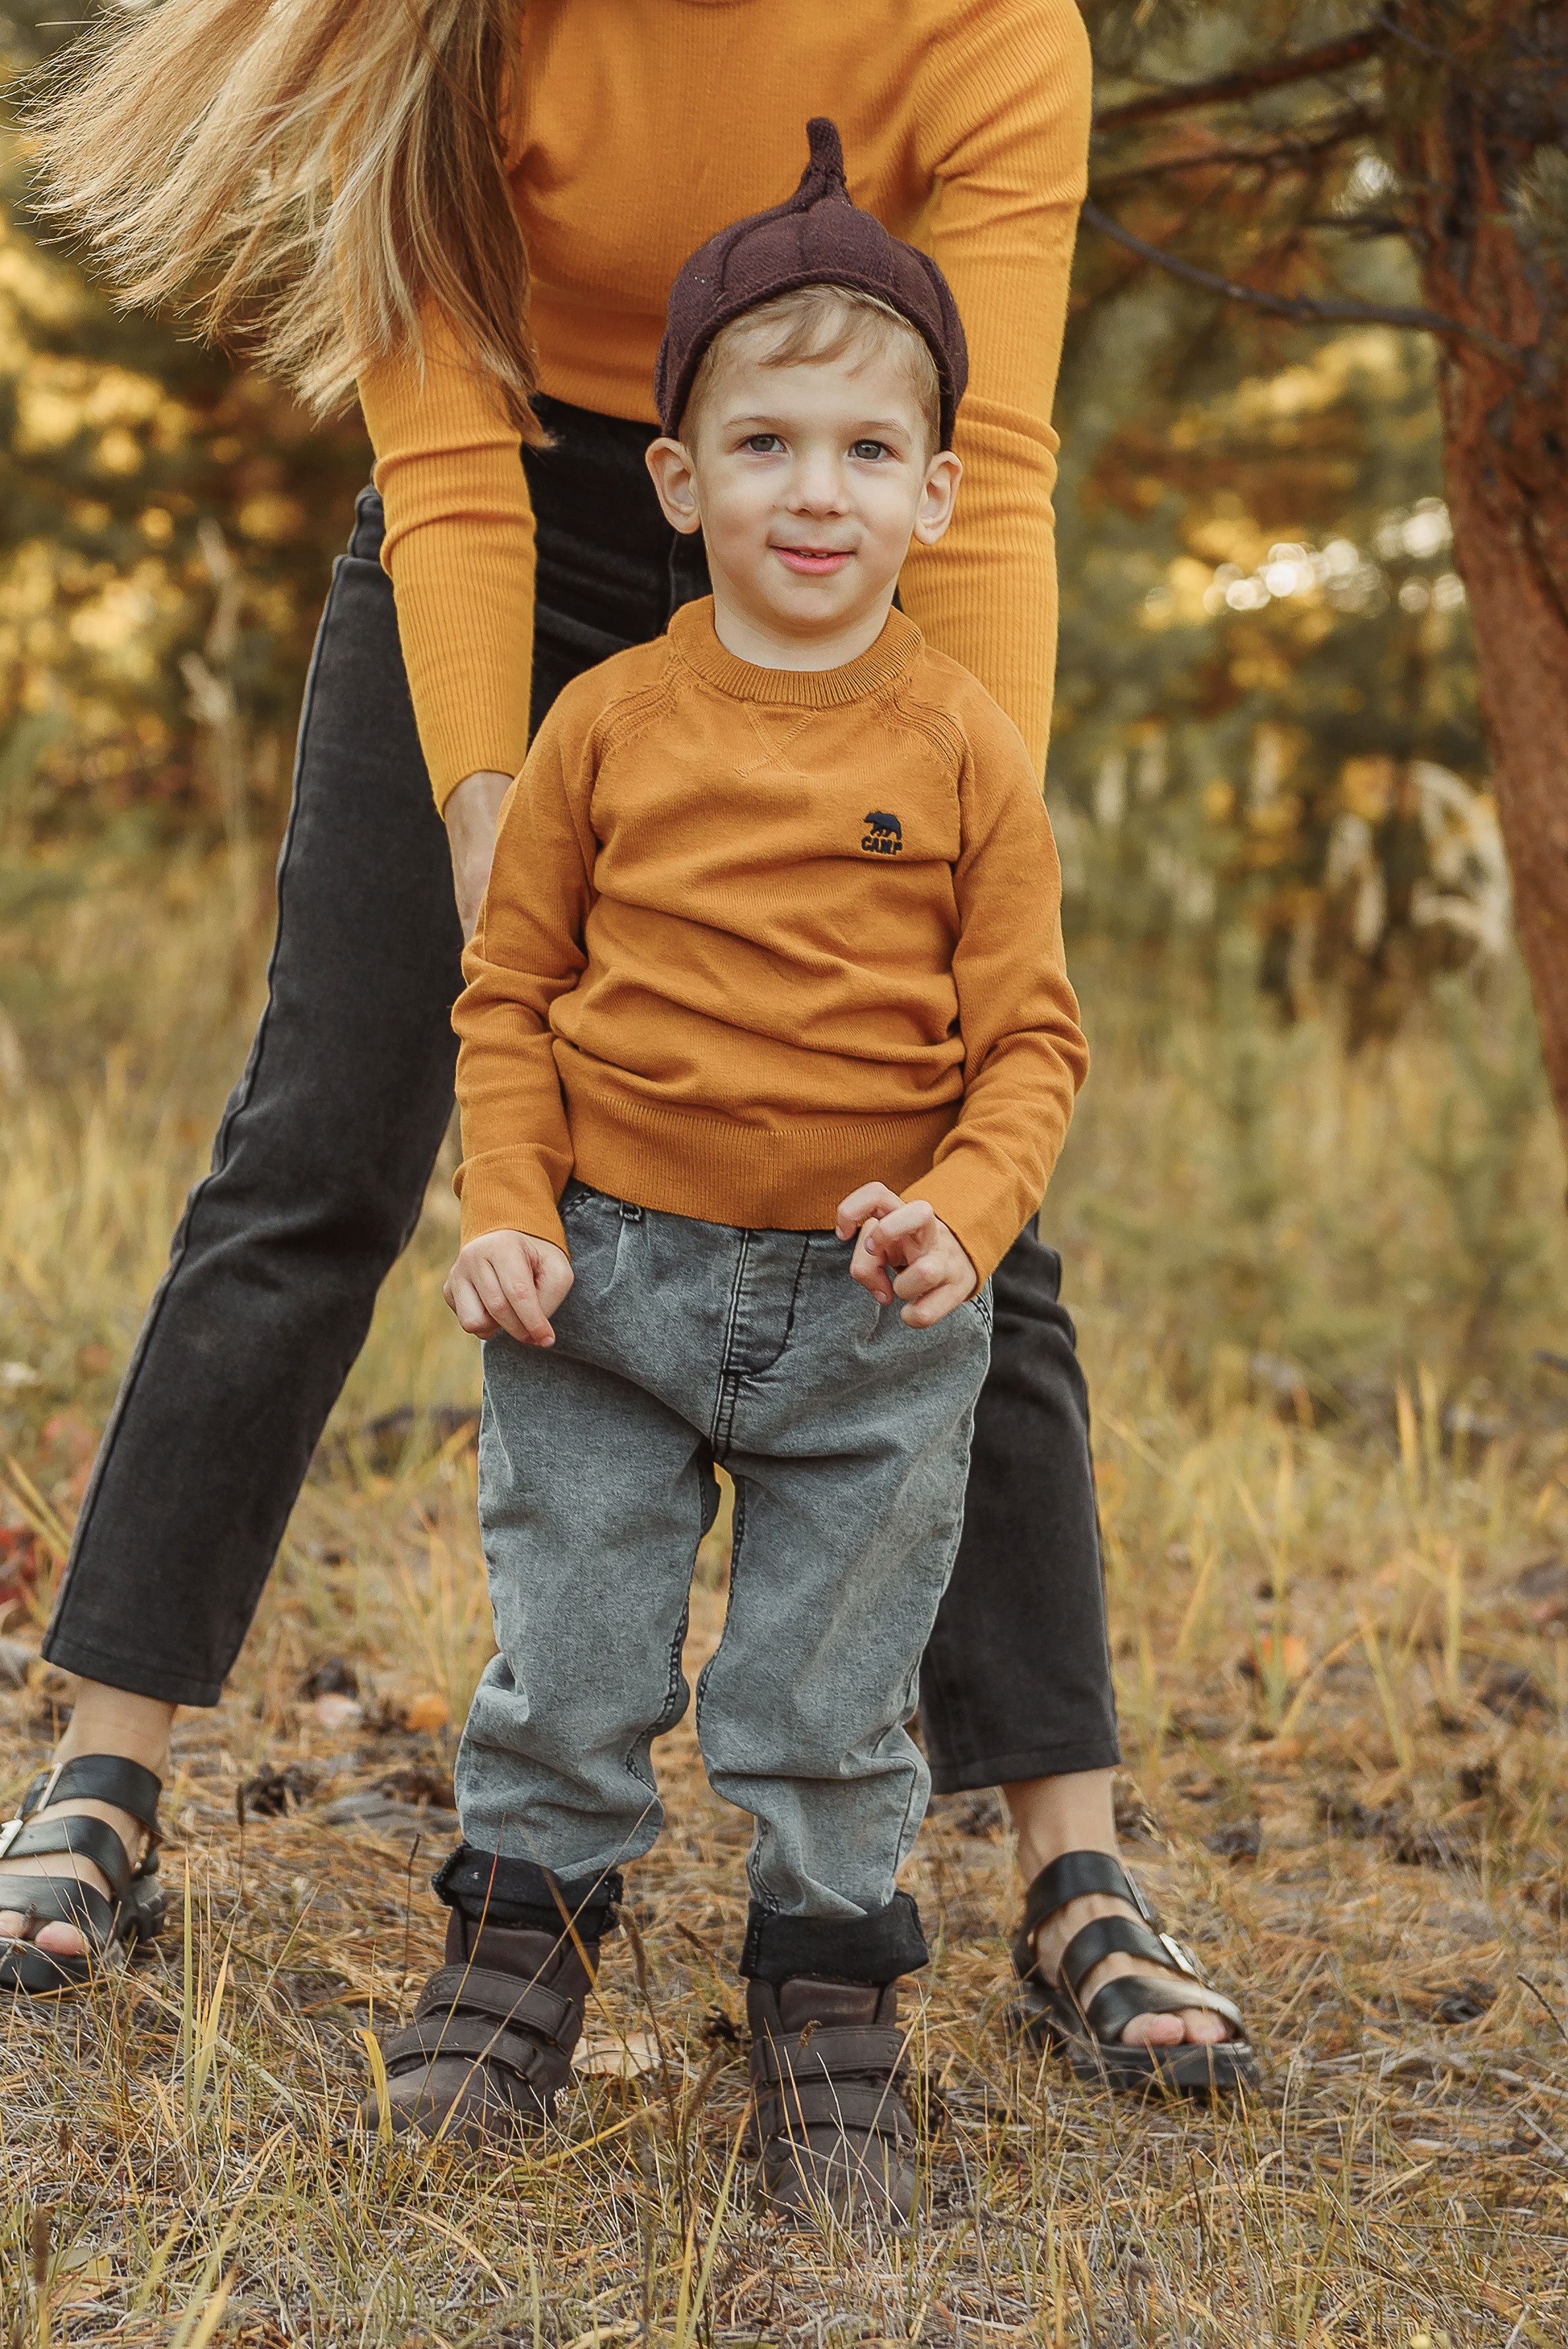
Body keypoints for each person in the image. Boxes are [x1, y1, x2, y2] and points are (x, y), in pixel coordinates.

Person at [8, 0, 1255, 2092]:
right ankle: (99, 1776)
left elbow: (1000, 464)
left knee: (964, 1196)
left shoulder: (990, 24)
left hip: (843, 514)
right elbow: (441, 442)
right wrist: (491, 793)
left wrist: (970, 852)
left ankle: (1076, 1867)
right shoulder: (453, 18)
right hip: (513, 509)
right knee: (321, 1140)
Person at [369, 143, 1090, 2224]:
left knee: (824, 1693)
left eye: (872, 447)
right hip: (600, 1288)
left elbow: (1032, 1039)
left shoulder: (968, 751)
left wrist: (965, 1210)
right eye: (762, 439)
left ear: (940, 495)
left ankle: (827, 2004)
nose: (815, 488)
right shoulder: (606, 722)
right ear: (677, 479)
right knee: (575, 1649)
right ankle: (520, 1953)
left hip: (872, 1318)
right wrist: (504, 1204)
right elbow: (507, 989)